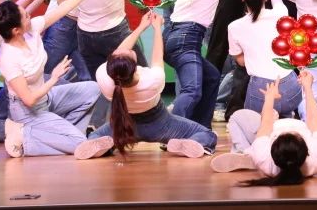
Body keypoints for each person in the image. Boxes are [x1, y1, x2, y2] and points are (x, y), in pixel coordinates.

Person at [0, 0, 102, 158]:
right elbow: (28, 100)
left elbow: (61, 10)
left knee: (92, 89)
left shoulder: (32, 30)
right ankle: (25, 139)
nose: (30, 16)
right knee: (79, 142)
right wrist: (54, 78)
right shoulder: (8, 57)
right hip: (27, 113)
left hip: (46, 99)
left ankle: (67, 137)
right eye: (26, 16)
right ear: (16, 30)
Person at [77, 11, 218, 160]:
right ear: (134, 67)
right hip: (160, 125)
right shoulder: (151, 80)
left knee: (95, 135)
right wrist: (157, 28)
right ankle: (189, 143)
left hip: (124, 126)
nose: (126, 50)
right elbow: (157, 55)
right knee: (207, 134)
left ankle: (104, 145)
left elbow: (119, 53)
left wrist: (140, 27)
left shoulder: (105, 77)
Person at [209, 70, 317, 186]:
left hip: (273, 126)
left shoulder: (264, 158)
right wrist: (307, 87)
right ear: (308, 152)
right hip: (305, 130)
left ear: (272, 147)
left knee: (236, 117)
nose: (288, 130)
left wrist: (270, 97)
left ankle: (246, 152)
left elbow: (265, 124)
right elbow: (313, 120)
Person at [164, 0, 244, 128]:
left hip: (174, 36)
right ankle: (174, 131)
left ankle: (200, 125)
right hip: (187, 39)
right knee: (192, 90)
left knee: (212, 77)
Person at [227, 0, 302, 117]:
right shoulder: (280, 14)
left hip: (260, 91)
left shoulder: (234, 27)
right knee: (285, 120)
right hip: (290, 87)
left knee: (257, 124)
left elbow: (241, 61)